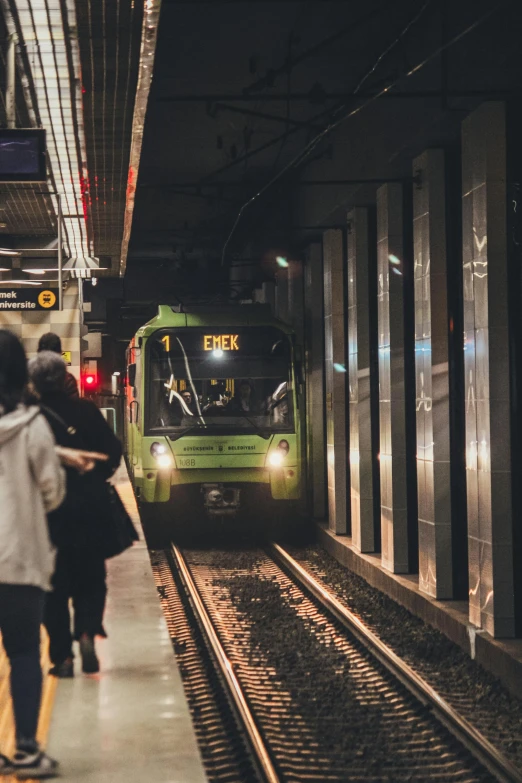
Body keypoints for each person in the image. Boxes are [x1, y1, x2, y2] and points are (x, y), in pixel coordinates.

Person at [28, 351, 122, 679]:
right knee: (91, 579)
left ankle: (62, 658)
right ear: (63, 375)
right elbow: (113, 452)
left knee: (54, 587)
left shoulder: (30, 418)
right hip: (90, 510)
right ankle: (86, 632)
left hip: (47, 515)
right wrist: (95, 475)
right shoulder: (86, 411)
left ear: (35, 383)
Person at [0, 330, 65, 779]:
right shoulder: (33, 425)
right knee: (23, 652)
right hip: (20, 557)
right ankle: (26, 748)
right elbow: (52, 491)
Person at [37, 333, 79, 399]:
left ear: (38, 352)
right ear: (60, 353)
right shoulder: (68, 379)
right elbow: (74, 406)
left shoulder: (30, 379)